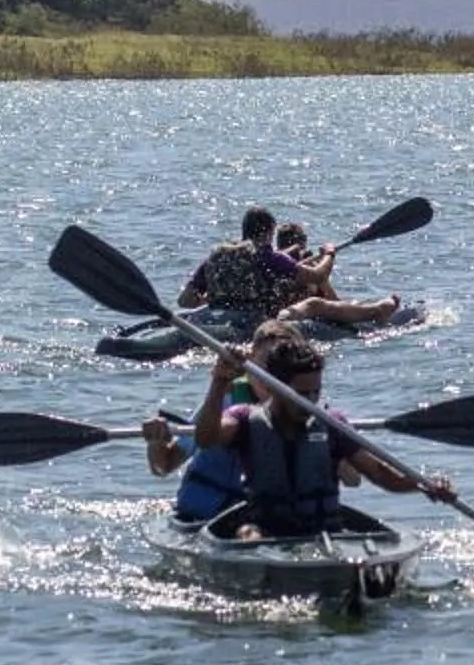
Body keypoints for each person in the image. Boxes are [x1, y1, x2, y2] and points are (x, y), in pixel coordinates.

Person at [194, 335, 452, 537]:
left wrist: (423, 484)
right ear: (273, 385)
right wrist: (219, 383)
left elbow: (381, 474)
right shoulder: (245, 419)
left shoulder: (331, 425)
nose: (310, 402)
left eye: (315, 392)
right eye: (301, 394)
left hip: (325, 533)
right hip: (263, 532)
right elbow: (206, 439)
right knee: (246, 532)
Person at [141, 318, 299, 521]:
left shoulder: (308, 409)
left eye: (284, 366)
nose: (274, 376)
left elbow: (351, 477)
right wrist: (155, 441)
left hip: (270, 521)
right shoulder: (223, 401)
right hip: (202, 518)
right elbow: (164, 465)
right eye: (267, 364)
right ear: (250, 362)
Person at [266, 220, 403, 327]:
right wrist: (328, 254)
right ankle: (378, 310)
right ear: (304, 241)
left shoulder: (274, 267)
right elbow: (334, 301)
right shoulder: (311, 269)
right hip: (304, 317)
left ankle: (374, 308)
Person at [179, 206, 300, 319]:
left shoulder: (219, 256)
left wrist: (210, 300)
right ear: (268, 232)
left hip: (215, 317)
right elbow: (313, 276)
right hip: (252, 323)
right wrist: (320, 259)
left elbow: (185, 301)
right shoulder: (270, 257)